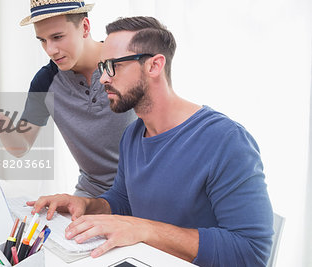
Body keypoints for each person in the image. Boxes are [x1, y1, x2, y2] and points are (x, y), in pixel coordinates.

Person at [28, 16, 274, 266]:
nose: (102, 79)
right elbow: (123, 201)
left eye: (113, 65)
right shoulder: (133, 135)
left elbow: (251, 252)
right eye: (102, 67)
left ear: (154, 66)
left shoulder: (226, 141)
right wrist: (84, 204)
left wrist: (144, 229)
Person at [0, 0, 136, 197]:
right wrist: (4, 126)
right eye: (42, 40)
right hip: (91, 194)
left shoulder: (127, 61)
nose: (50, 49)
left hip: (140, 188)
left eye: (57, 37)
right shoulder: (45, 82)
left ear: (85, 27)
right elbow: (21, 147)